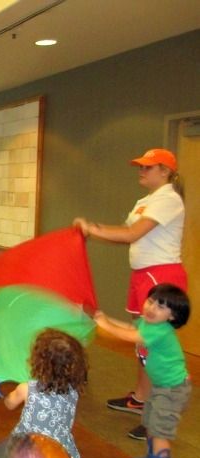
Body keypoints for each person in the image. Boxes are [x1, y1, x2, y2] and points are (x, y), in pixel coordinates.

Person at [73, 148, 186, 440]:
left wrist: (91, 228)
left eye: (148, 167)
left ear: (165, 171)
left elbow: (132, 235)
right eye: (141, 166)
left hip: (160, 275)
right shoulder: (145, 201)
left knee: (151, 344)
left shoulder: (168, 199)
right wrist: (93, 230)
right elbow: (124, 231)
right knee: (142, 343)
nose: (142, 171)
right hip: (143, 274)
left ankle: (156, 409)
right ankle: (140, 398)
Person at [94, 284, 191, 458]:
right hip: (161, 385)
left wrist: (105, 325)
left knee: (159, 430)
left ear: (173, 317)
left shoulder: (162, 331)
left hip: (173, 389)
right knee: (149, 422)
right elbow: (130, 329)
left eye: (161, 306)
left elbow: (131, 337)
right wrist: (106, 319)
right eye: (151, 301)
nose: (152, 307)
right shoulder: (148, 324)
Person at [4, 328, 88, 458]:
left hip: (29, 450)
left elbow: (9, 403)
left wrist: (8, 397)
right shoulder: (73, 390)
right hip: (60, 449)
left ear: (38, 363)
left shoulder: (27, 388)